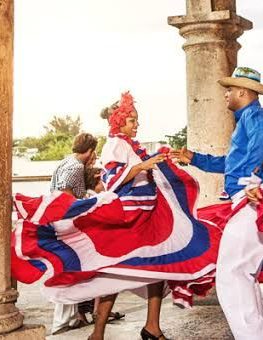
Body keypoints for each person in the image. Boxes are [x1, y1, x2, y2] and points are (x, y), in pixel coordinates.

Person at [12, 92, 221, 340]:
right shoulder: (114, 145)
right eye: (132, 120)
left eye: (137, 120)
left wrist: (161, 162)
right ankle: (98, 332)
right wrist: (142, 166)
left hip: (148, 215)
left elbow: (146, 173)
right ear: (119, 122)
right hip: (129, 218)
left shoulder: (133, 145)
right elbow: (111, 180)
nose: (137, 124)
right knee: (115, 271)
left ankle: (152, 326)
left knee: (159, 266)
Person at [170, 67, 263, 339]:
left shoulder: (255, 116)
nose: (226, 95)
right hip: (256, 195)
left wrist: (250, 180)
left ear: (243, 92)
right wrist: (194, 158)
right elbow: (231, 163)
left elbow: (261, 147)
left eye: (230, 90)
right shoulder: (250, 118)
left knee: (231, 274)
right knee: (243, 274)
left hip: (255, 197)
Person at [48, 133, 98, 335]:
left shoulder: (65, 161)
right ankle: (65, 320)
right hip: (66, 221)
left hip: (56, 220)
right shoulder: (76, 166)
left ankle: (74, 316)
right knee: (72, 268)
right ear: (90, 150)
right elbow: (65, 191)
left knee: (70, 268)